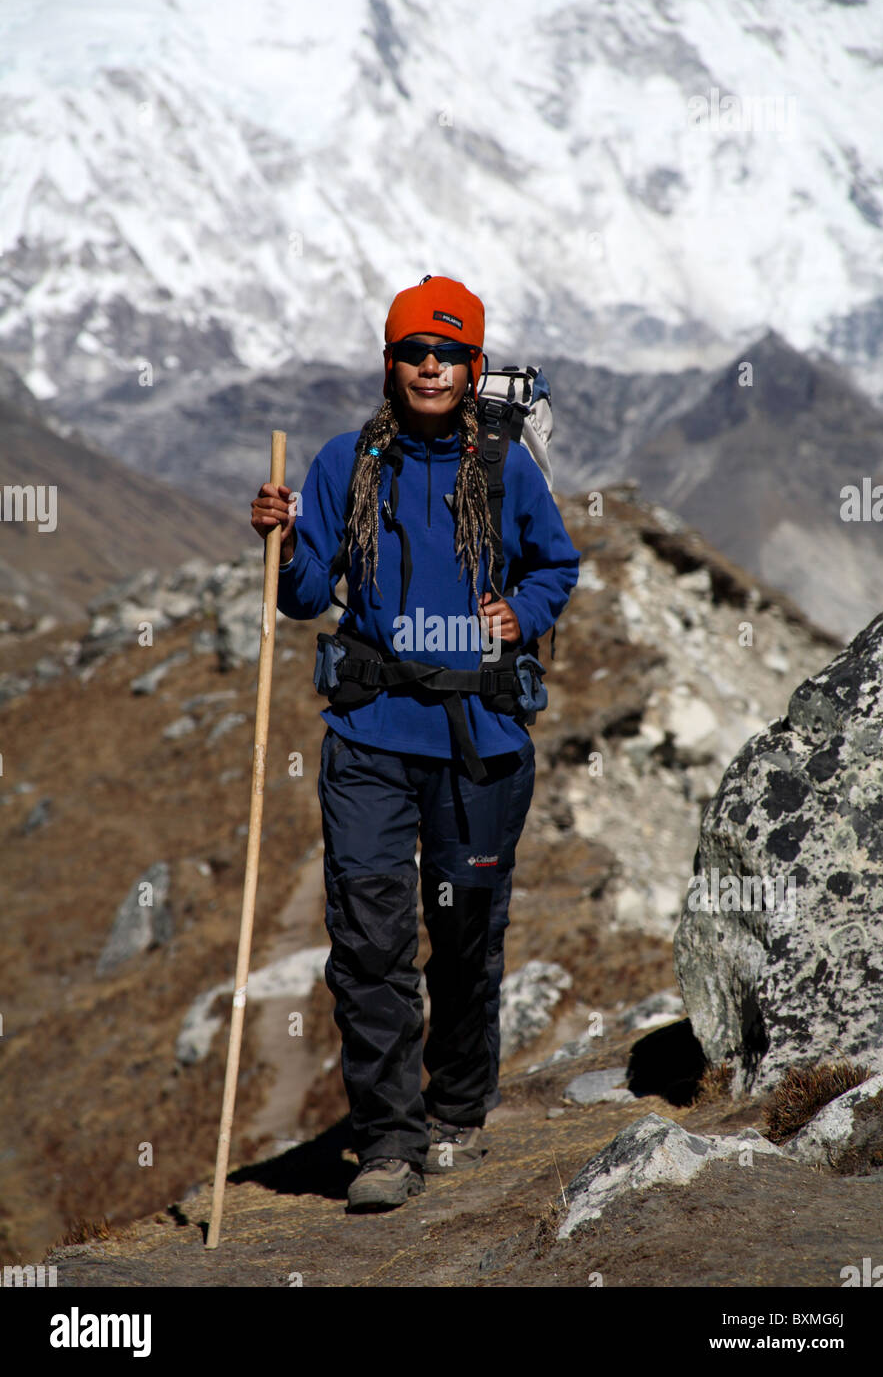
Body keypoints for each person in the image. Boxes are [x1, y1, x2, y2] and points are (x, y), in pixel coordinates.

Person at [250, 275, 579, 1211]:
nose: (429, 368)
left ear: (475, 369)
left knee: (466, 932)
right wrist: (282, 543)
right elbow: (310, 593)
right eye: (412, 352)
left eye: (448, 354)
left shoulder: (505, 469)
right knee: (368, 937)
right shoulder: (343, 462)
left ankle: (460, 1107)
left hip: (480, 736)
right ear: (388, 362)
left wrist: (521, 613)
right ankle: (389, 1142)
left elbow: (558, 561)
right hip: (369, 736)